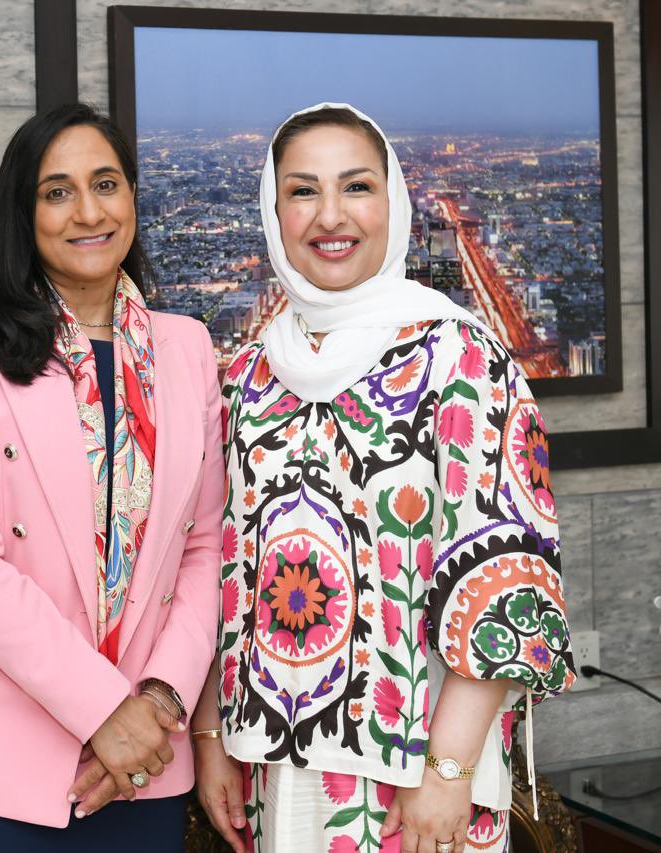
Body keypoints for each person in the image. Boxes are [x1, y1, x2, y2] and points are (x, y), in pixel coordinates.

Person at [191, 104, 576, 853]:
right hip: (276, 766)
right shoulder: (246, 376)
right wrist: (212, 735)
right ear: (273, 213)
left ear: (393, 201)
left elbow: (506, 580)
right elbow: (217, 566)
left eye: (356, 186)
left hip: (418, 774)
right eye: (302, 191)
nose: (330, 215)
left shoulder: (465, 361)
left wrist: (448, 769)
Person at [0, 103, 224, 851]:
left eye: (106, 183)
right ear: (21, 212)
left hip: (143, 760)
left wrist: (157, 704)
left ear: (132, 197)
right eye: (57, 191)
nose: (88, 211)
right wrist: (104, 711)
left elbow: (203, 550)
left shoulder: (187, 349)